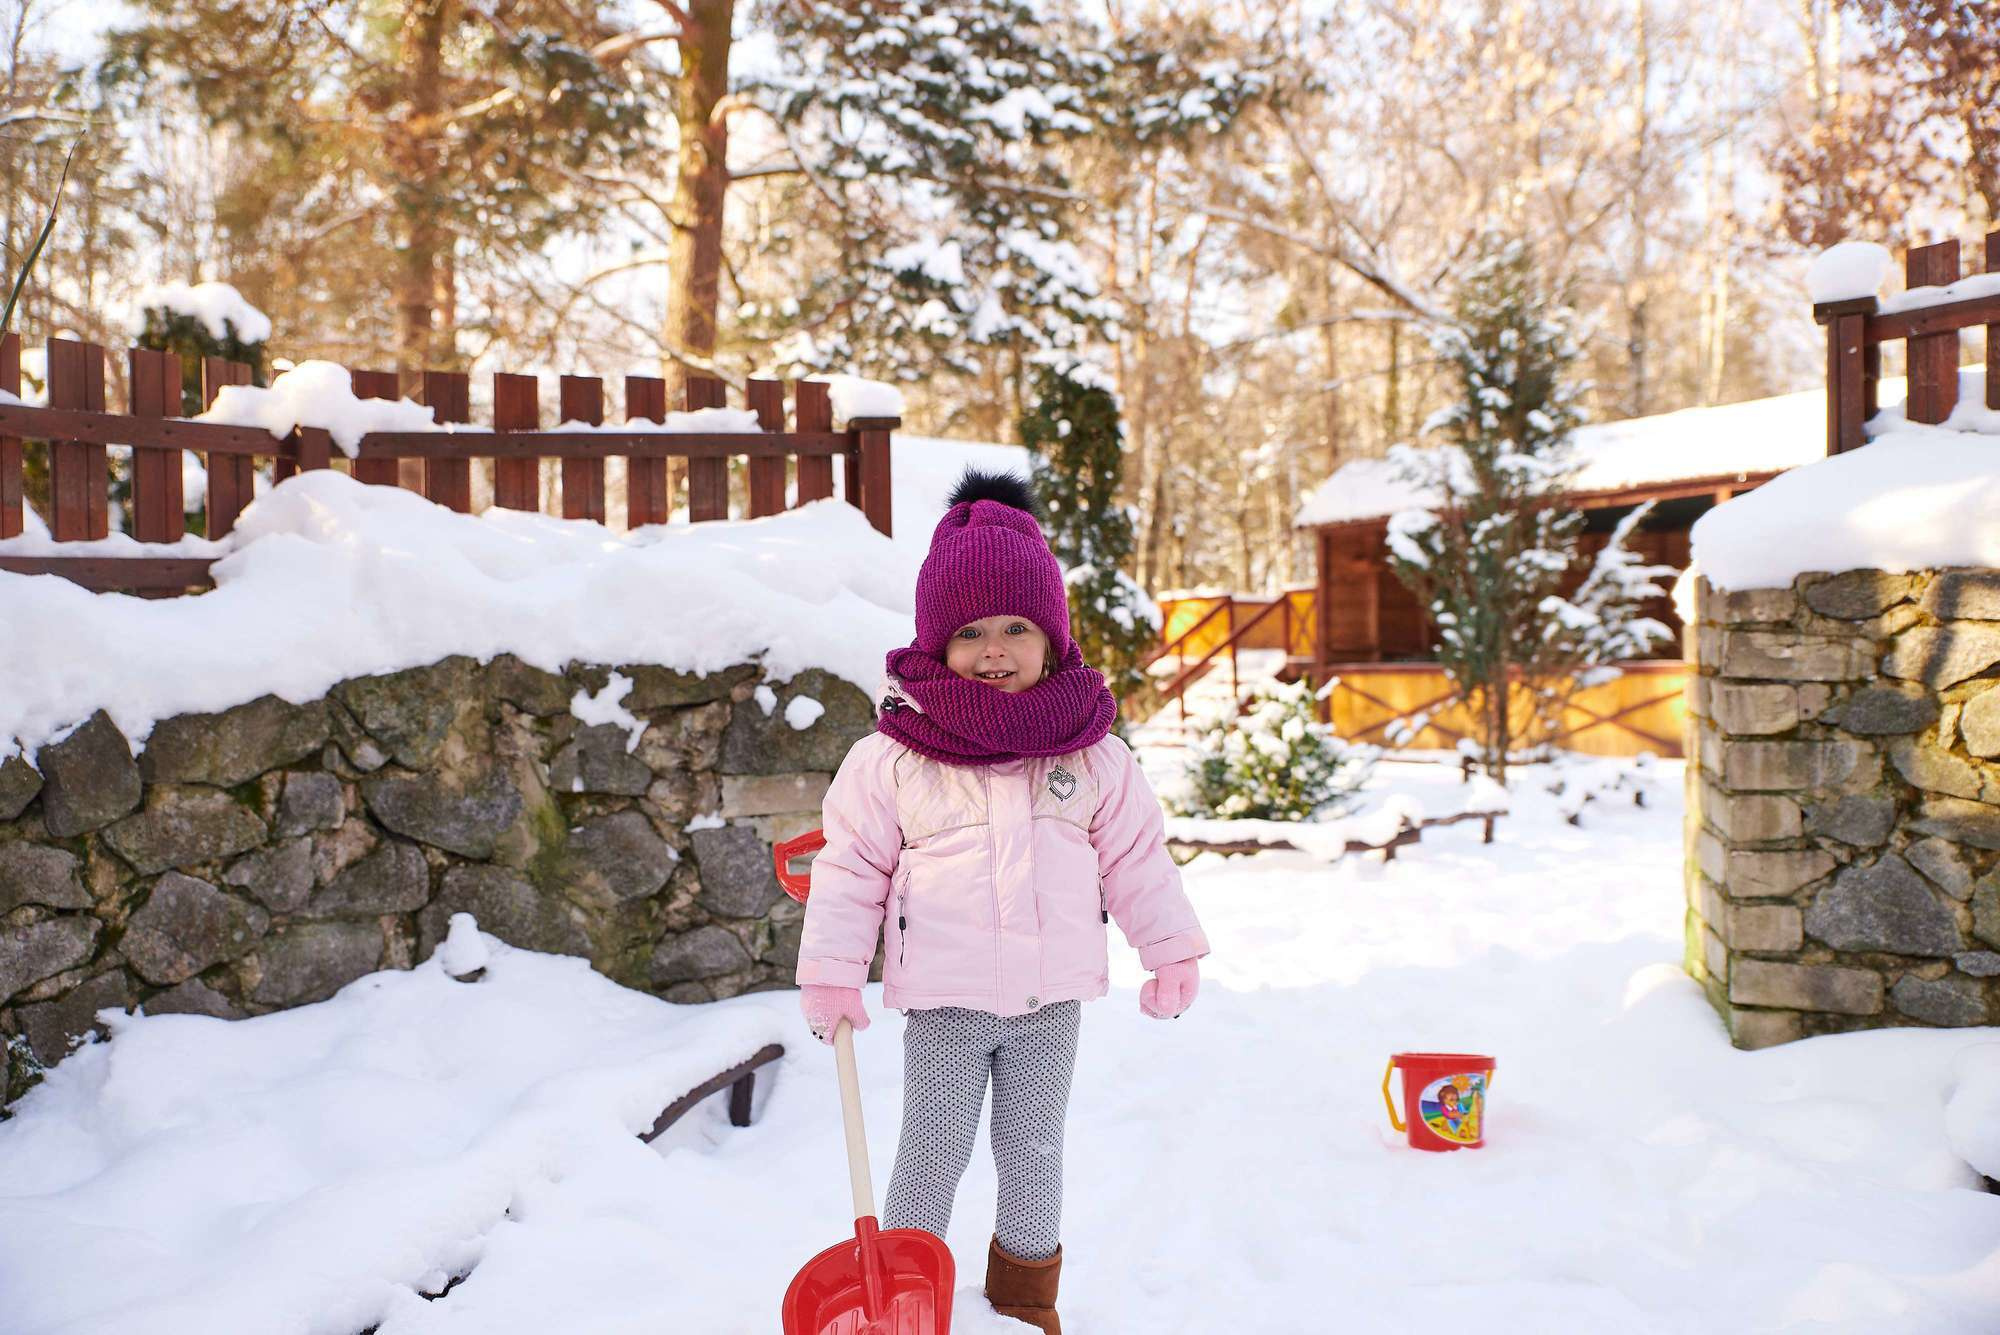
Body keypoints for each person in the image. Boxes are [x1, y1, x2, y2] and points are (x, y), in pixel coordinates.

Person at [795, 469, 1209, 1335]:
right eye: (972, 630)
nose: (994, 648)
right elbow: (849, 867)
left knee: (1034, 1150)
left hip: (1049, 1000)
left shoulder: (1092, 753)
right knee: (932, 1150)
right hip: (945, 1001)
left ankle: (1026, 1301)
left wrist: (1170, 949)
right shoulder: (897, 756)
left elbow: (1136, 857)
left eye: (1017, 626)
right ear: (937, 641)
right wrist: (832, 974)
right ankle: (905, 1299)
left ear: (1052, 637)